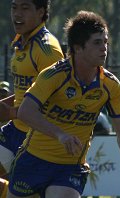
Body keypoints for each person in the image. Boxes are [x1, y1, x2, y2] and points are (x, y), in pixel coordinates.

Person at [7, 10, 120, 197]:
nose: (104, 48)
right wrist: (61, 135)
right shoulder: (53, 75)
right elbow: (25, 112)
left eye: (105, 42)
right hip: (32, 161)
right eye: (97, 43)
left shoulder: (110, 85)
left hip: (69, 167)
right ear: (78, 47)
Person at [0, 0, 64, 197]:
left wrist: (11, 112)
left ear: (41, 12)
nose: (17, 14)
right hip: (15, 130)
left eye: (25, 8)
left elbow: (56, 102)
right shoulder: (22, 41)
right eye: (14, 7)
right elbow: (28, 91)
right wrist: (7, 105)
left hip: (34, 138)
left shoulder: (48, 50)